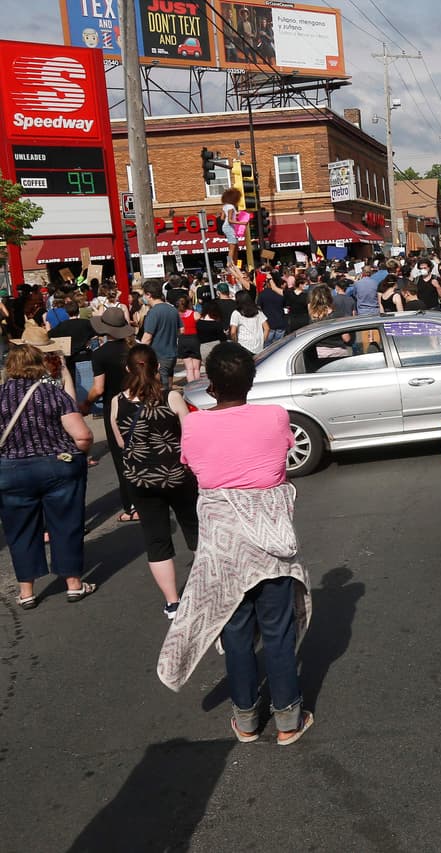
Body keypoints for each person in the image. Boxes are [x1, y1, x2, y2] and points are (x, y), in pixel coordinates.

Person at [158, 342, 313, 744]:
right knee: (278, 631)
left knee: (236, 631)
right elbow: (281, 460)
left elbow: (194, 467)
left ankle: (245, 720)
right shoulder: (275, 416)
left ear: (211, 384)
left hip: (223, 546)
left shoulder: (194, 425)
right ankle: (288, 721)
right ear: (251, 379)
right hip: (270, 539)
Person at [1, 333, 96, 609]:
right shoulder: (52, 394)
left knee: (19, 530)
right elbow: (83, 437)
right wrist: (80, 455)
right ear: (38, 365)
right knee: (66, 524)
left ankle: (26, 590)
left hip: (11, 469)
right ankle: (73, 583)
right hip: (57, 465)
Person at [111, 344, 199, 618]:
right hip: (177, 475)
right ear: (157, 367)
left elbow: (122, 443)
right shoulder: (171, 397)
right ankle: (205, 587)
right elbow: (190, 438)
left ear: (127, 369)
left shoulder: (117, 402)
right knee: (195, 531)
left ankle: (172, 601)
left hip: (141, 480)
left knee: (156, 539)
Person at [85, 307, 140, 522]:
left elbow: (98, 388)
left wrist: (86, 403)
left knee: (121, 457)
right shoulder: (136, 349)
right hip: (140, 403)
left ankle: (132, 506)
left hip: (115, 407)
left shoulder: (100, 354)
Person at [139, 279, 180, 391]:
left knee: (161, 387)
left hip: (158, 356)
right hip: (172, 354)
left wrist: (139, 353)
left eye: (144, 295)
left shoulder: (153, 313)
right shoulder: (172, 309)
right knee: (169, 386)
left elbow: (147, 337)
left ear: (149, 295)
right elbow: (180, 330)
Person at [229, 290, 269, 355]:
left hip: (243, 346)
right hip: (258, 347)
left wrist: (235, 344)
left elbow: (233, 332)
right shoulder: (257, 311)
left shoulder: (236, 313)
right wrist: (262, 341)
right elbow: (267, 328)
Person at [176, 295, 201, 383]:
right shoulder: (195, 314)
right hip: (194, 339)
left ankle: (191, 386)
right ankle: (197, 386)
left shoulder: (177, 316)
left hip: (183, 340)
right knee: (196, 368)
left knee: (189, 369)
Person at [220, 187, 243, 267]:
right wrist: (242, 222)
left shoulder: (225, 206)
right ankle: (229, 263)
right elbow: (230, 220)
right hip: (229, 227)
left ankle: (234, 262)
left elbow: (222, 218)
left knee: (235, 246)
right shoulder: (231, 207)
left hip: (226, 227)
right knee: (232, 247)